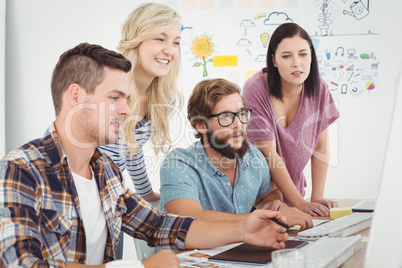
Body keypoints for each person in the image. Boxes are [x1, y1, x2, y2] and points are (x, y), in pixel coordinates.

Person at [0, 43, 288, 268]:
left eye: (126, 99)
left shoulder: (106, 172)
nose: (126, 110)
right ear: (76, 96)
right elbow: (20, 264)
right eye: (115, 98)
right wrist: (139, 266)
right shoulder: (21, 170)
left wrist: (244, 229)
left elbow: (159, 225)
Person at [160, 78, 313, 230]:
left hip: (239, 249)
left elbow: (269, 194)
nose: (238, 125)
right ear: (201, 125)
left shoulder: (254, 157)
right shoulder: (178, 164)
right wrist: (266, 218)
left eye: (241, 114)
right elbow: (189, 217)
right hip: (188, 254)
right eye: (225, 117)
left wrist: (271, 205)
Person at [242, 23, 340, 217]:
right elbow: (269, 154)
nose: (297, 63)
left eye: (303, 54)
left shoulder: (319, 89)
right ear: (274, 60)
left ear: (311, 54)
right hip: (259, 199)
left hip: (295, 196)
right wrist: (299, 202)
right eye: (287, 56)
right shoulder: (255, 89)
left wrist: (315, 197)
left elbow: (321, 147)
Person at [99, 2, 183, 203]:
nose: (170, 51)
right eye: (160, 39)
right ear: (136, 40)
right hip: (70, 198)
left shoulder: (164, 99)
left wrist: (148, 195)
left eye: (176, 42)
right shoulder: (104, 86)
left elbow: (132, 152)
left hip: (109, 203)